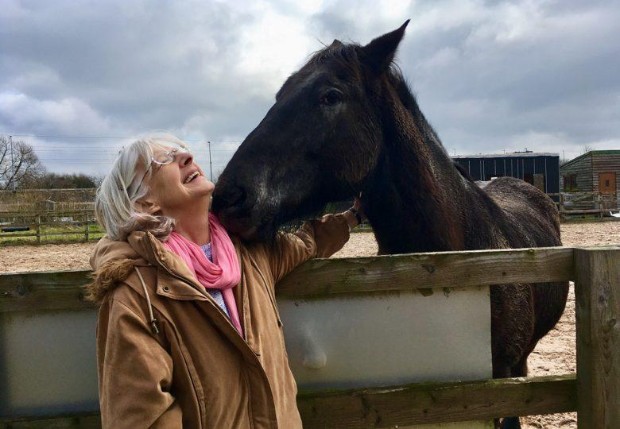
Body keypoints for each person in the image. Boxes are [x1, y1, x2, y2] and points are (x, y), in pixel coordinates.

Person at [86, 133, 363, 428]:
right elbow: (142, 419)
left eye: (183, 150)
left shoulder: (251, 255)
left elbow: (308, 242)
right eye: (163, 160)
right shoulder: (135, 293)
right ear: (144, 203)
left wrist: (356, 215)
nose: (187, 157)